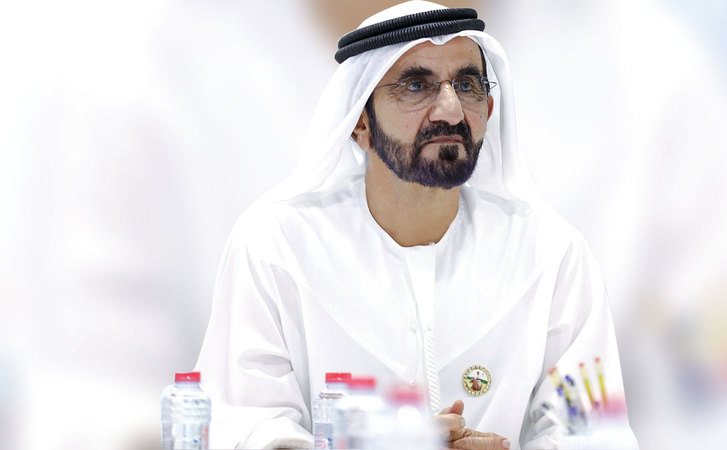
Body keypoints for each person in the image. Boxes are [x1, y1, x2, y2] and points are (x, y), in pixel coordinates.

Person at [195, 1, 636, 448]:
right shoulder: (276, 245)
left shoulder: (551, 254)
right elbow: (242, 427)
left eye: (466, 85)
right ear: (359, 122)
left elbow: (598, 434)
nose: (450, 110)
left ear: (489, 107)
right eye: (416, 86)